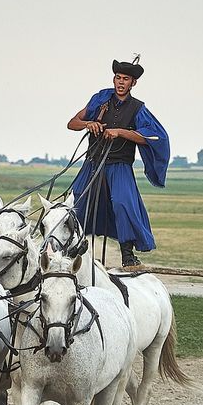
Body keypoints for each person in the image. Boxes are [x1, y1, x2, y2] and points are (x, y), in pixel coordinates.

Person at [66, 56, 170, 270]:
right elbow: (72, 123)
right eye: (118, 77)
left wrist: (121, 132)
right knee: (78, 202)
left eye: (126, 79)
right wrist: (89, 124)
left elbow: (153, 137)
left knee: (123, 203)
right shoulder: (100, 99)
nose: (121, 82)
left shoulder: (138, 109)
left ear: (134, 83)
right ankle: (69, 248)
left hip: (120, 166)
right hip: (93, 163)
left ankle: (128, 255)